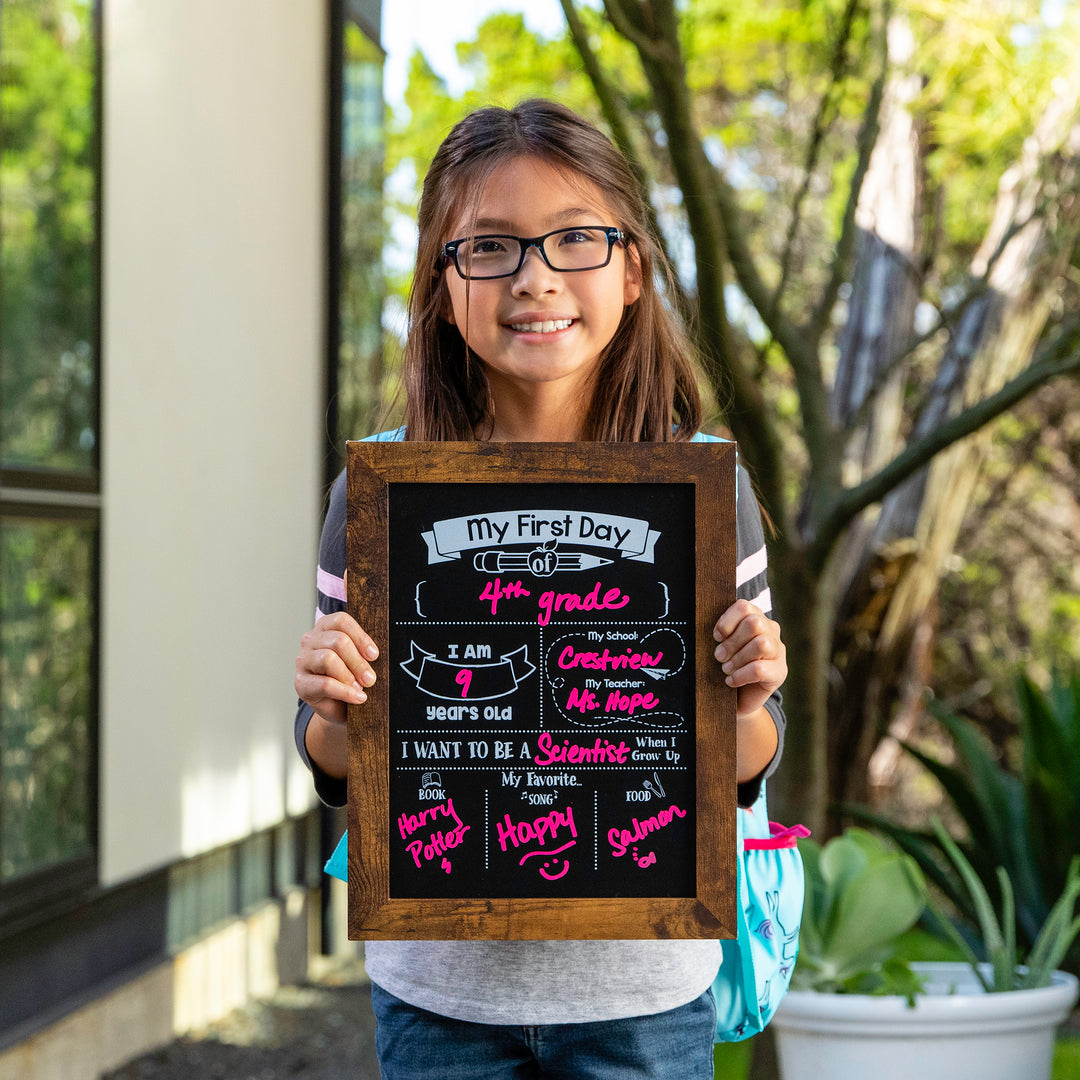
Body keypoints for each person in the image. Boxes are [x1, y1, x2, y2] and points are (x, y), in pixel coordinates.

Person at [294, 99, 787, 1080]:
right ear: (441, 285)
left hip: (643, 997)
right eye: (489, 247)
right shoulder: (379, 496)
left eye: (575, 239)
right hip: (439, 997)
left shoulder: (702, 490)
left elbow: (753, 758)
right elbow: (332, 761)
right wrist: (330, 702)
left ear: (633, 270)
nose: (535, 277)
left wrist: (745, 701)